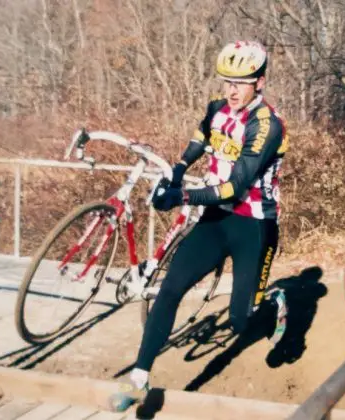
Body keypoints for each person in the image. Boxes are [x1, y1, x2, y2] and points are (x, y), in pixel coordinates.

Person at [109, 40, 289, 411]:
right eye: (227, 81)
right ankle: (140, 375)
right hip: (214, 219)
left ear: (261, 82)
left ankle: (273, 305)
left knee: (241, 322)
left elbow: (235, 186)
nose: (232, 90)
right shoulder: (217, 109)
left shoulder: (267, 125)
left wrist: (182, 197)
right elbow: (201, 136)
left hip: (253, 223)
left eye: (241, 82)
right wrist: (177, 170)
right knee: (170, 288)